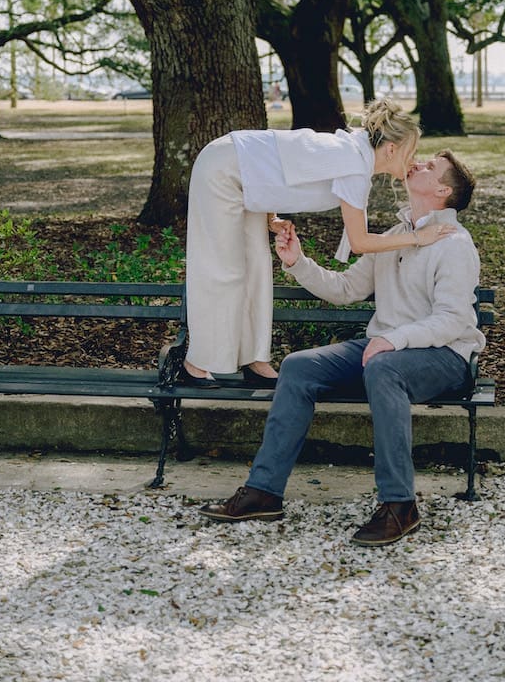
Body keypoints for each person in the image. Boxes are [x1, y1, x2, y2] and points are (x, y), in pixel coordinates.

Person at [199, 149, 486, 547]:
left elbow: (453, 320)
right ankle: (264, 492)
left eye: (431, 166)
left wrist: (392, 340)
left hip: (445, 355)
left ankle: (399, 505)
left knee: (385, 369)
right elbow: (347, 289)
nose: (417, 162)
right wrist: (297, 261)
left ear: (442, 190)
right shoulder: (392, 236)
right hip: (384, 350)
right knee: (300, 367)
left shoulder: (454, 244)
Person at [182, 99, 454, 388]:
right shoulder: (354, 164)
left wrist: (271, 218)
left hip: (243, 176)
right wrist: (416, 237)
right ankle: (195, 364)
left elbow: (280, 165)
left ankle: (254, 360)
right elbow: (359, 242)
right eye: (411, 152)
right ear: (391, 149)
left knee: (257, 269)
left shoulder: (356, 155)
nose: (414, 160)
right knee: (226, 271)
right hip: (222, 170)